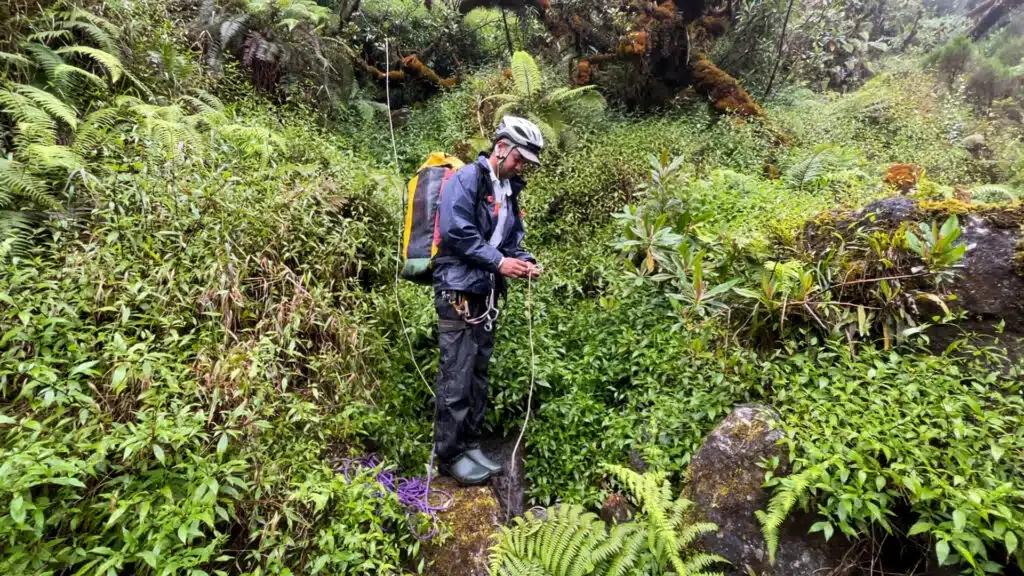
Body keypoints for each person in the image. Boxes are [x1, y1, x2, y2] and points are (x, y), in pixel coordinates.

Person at [431, 116, 544, 485]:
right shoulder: (466, 180)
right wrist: (499, 262)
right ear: (501, 147)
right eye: (519, 158)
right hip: (458, 290)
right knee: (457, 373)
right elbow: (456, 231)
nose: (521, 165)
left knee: (478, 371)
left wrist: (523, 261)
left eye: (527, 161)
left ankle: (471, 443)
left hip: (485, 293)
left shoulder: (509, 191)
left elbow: (510, 240)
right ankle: (449, 455)